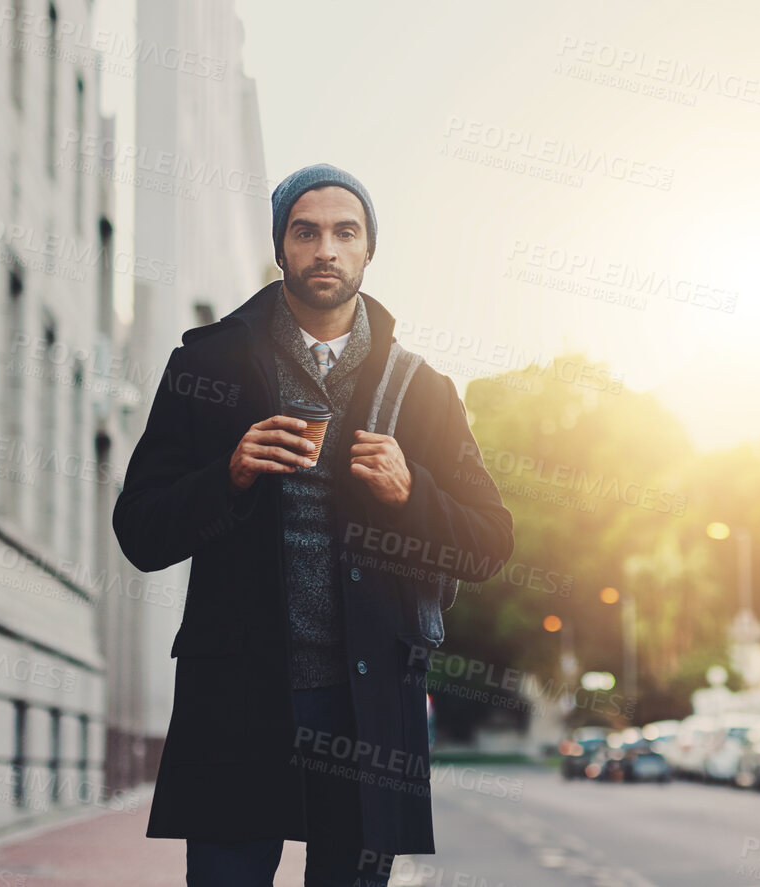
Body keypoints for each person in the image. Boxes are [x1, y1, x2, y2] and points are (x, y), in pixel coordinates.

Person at [113, 163, 514, 886]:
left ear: (367, 251)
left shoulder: (421, 390)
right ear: (281, 248)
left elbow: (490, 541)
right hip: (235, 699)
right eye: (306, 232)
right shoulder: (204, 366)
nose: (325, 247)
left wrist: (411, 491)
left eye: (344, 232)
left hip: (367, 707)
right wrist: (227, 475)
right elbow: (138, 531)